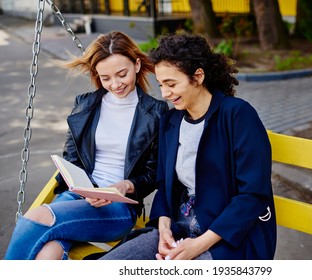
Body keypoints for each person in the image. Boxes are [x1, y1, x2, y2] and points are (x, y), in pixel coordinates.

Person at [99, 33, 276, 260]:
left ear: (198, 76)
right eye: (161, 84)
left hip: (232, 238)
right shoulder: (171, 121)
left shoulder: (237, 115)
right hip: (181, 229)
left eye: (172, 84)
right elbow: (164, 186)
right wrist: (163, 230)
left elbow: (252, 195)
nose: (164, 93)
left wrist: (198, 245)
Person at [4, 31, 169, 260]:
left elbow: (154, 174)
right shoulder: (84, 105)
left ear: (137, 65)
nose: (115, 84)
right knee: (47, 254)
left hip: (117, 207)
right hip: (76, 197)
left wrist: (125, 186)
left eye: (122, 74)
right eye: (106, 78)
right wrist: (82, 187)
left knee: (37, 217)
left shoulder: (155, 113)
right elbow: (71, 160)